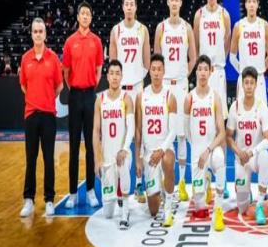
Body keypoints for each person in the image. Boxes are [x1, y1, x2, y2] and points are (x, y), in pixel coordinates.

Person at [154, 0, 197, 203]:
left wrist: (183, 75)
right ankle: (163, 181)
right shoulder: (161, 28)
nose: (173, 3)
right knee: (164, 133)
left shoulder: (187, 28)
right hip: (164, 85)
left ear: (180, 3)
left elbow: (193, 57)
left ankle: (181, 182)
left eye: (176, 0)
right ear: (168, 2)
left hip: (180, 85)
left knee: (181, 135)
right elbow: (156, 59)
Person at [109, 0, 151, 201]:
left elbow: (147, 62)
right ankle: (120, 183)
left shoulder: (142, 30)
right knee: (121, 136)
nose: (129, 7)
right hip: (120, 90)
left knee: (139, 134)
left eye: (132, 4)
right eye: (126, 4)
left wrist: (136, 79)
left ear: (136, 7)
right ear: (122, 6)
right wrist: (119, 84)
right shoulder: (115, 30)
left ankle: (140, 183)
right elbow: (113, 64)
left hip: (137, 88)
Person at [19, 18, 63, 217]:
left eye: (41, 31)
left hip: (48, 116)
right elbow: (23, 85)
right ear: (31, 34)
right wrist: (34, 98)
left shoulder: (53, 58)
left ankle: (49, 199)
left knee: (48, 158)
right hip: (31, 115)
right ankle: (28, 199)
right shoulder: (25, 58)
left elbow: (59, 86)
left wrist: (46, 98)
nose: (38, 34)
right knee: (31, 159)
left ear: (45, 34)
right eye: (35, 31)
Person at [193, 0, 231, 198]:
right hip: (204, 71)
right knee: (203, 122)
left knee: (220, 125)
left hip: (218, 71)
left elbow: (226, 43)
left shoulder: (224, 14)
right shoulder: (199, 14)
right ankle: (205, 176)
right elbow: (197, 44)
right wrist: (204, 68)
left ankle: (221, 180)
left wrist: (217, 65)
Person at [63, 1, 104, 209]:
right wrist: (75, 88)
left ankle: (89, 191)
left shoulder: (97, 41)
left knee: (90, 145)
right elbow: (66, 72)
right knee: (73, 146)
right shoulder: (70, 42)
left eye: (88, 13)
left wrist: (89, 88)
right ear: (78, 17)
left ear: (91, 17)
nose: (85, 16)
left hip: (90, 96)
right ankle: (72, 193)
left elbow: (99, 70)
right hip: (75, 95)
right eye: (83, 13)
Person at [184, 55, 226, 231]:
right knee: (200, 209)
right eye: (199, 69)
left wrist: (208, 150)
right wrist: (197, 149)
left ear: (211, 72)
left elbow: (222, 132)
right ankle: (205, 181)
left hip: (211, 148)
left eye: (205, 69)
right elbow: (187, 130)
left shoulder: (215, 97)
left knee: (220, 159)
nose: (202, 73)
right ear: (196, 72)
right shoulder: (189, 98)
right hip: (197, 151)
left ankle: (219, 210)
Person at [135, 54, 177, 227]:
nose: (157, 73)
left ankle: (168, 207)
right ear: (149, 72)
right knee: (153, 210)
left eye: (160, 69)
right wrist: (138, 158)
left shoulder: (169, 96)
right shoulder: (141, 96)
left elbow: (173, 131)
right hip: (148, 154)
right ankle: (158, 189)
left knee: (167, 161)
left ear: (164, 71)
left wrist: (161, 150)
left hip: (165, 149)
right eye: (153, 69)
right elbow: (138, 130)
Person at [226, 66, 268, 225]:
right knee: (242, 208)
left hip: (255, 157)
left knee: (265, 156)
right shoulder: (235, 107)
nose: (249, 86)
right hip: (241, 159)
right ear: (242, 85)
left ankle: (260, 204)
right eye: (246, 83)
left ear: (256, 84)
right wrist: (238, 152)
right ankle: (246, 191)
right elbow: (229, 137)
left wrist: (252, 152)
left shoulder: (261, 106)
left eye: (252, 83)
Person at [92, 60, 134, 229]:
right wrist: (97, 160)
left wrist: (124, 149)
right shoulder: (100, 100)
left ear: (122, 76)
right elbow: (95, 131)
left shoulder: (126, 98)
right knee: (108, 213)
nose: (115, 77)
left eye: (118, 73)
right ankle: (117, 195)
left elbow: (131, 128)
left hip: (123, 154)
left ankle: (125, 211)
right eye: (112, 73)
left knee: (122, 164)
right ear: (107, 76)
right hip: (107, 158)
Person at [229, 0, 268, 106]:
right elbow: (232, 56)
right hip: (244, 79)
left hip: (259, 78)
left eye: (254, 1)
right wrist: (242, 71)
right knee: (241, 113)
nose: (252, 5)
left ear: (258, 4)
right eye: (249, 1)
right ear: (245, 4)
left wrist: (261, 69)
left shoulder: (264, 25)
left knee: (261, 113)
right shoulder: (238, 26)